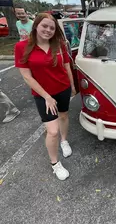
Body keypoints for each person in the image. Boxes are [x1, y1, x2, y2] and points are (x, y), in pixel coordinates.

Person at [14, 13, 76, 180]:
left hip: (62, 88)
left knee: (64, 115)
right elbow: (27, 76)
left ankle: (65, 141)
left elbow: (66, 66)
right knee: (52, 131)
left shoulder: (59, 44)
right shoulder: (22, 47)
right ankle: (55, 164)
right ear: (36, 26)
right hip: (43, 95)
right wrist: (47, 97)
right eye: (44, 26)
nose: (48, 30)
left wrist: (72, 86)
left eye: (52, 27)